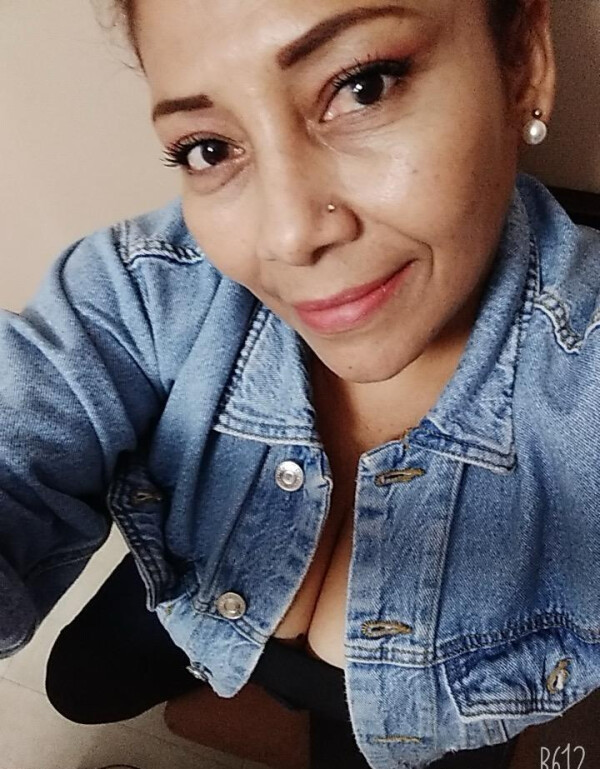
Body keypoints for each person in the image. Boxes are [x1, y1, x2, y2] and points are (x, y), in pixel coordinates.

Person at [1, 0, 599, 767]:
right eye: (209, 147)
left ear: (522, 63)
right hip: (202, 602)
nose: (286, 235)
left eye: (363, 86)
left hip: (420, 720)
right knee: (79, 687)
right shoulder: (152, 288)